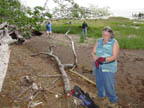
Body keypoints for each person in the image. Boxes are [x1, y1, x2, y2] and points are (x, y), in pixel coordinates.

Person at [91, 26, 120, 108]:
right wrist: (95, 58)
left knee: (109, 85)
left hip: (108, 67)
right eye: (103, 34)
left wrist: (103, 59)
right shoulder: (98, 41)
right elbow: (93, 52)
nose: (104, 36)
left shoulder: (114, 42)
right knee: (99, 82)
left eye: (107, 35)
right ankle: (100, 96)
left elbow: (114, 56)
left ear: (111, 35)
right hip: (98, 66)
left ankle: (113, 101)